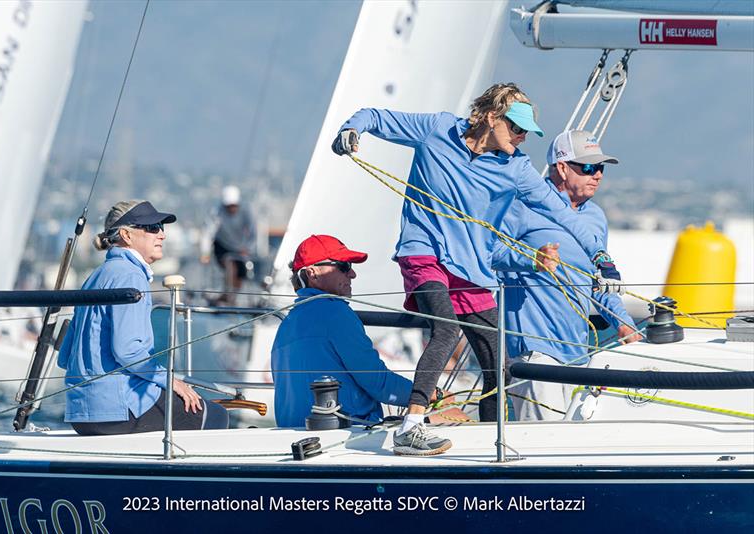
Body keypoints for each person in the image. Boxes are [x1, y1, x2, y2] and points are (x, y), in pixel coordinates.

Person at [332, 83, 625, 455]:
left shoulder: (516, 168)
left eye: (526, 133)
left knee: (495, 361)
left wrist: (602, 258)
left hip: (470, 266)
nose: (521, 138)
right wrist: (351, 130)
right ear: (490, 117)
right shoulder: (437, 130)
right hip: (424, 253)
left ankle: (489, 440)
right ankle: (411, 425)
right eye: (515, 128)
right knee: (447, 330)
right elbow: (376, 116)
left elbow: (562, 212)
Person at [492, 130, 643, 421]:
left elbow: (599, 283)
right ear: (561, 168)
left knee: (569, 447)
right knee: (540, 447)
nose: (597, 175)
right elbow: (488, 253)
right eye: (588, 167)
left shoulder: (595, 217)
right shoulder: (522, 206)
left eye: (600, 168)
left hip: (578, 351)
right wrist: (532, 260)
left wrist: (624, 325)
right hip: (534, 348)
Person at [58, 200, 229, 435]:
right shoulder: (131, 276)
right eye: (152, 227)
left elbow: (65, 356)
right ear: (127, 235)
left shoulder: (95, 276)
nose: (161, 234)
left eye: (161, 227)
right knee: (216, 415)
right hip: (118, 410)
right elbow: (127, 350)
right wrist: (171, 381)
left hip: (80, 413)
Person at [271, 234, 462, 437]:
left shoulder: (287, 324)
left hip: (294, 435)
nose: (352, 274)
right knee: (457, 417)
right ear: (313, 273)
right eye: (344, 266)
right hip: (347, 435)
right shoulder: (335, 312)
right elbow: (378, 384)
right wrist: (434, 394)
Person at [200, 185, 256, 304]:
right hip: (222, 247)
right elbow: (208, 233)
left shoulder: (246, 211)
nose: (232, 208)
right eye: (229, 206)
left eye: (234, 205)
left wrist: (248, 248)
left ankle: (230, 297)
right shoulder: (217, 212)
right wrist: (205, 252)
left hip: (240, 248)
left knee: (241, 274)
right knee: (230, 266)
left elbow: (253, 232)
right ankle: (229, 297)